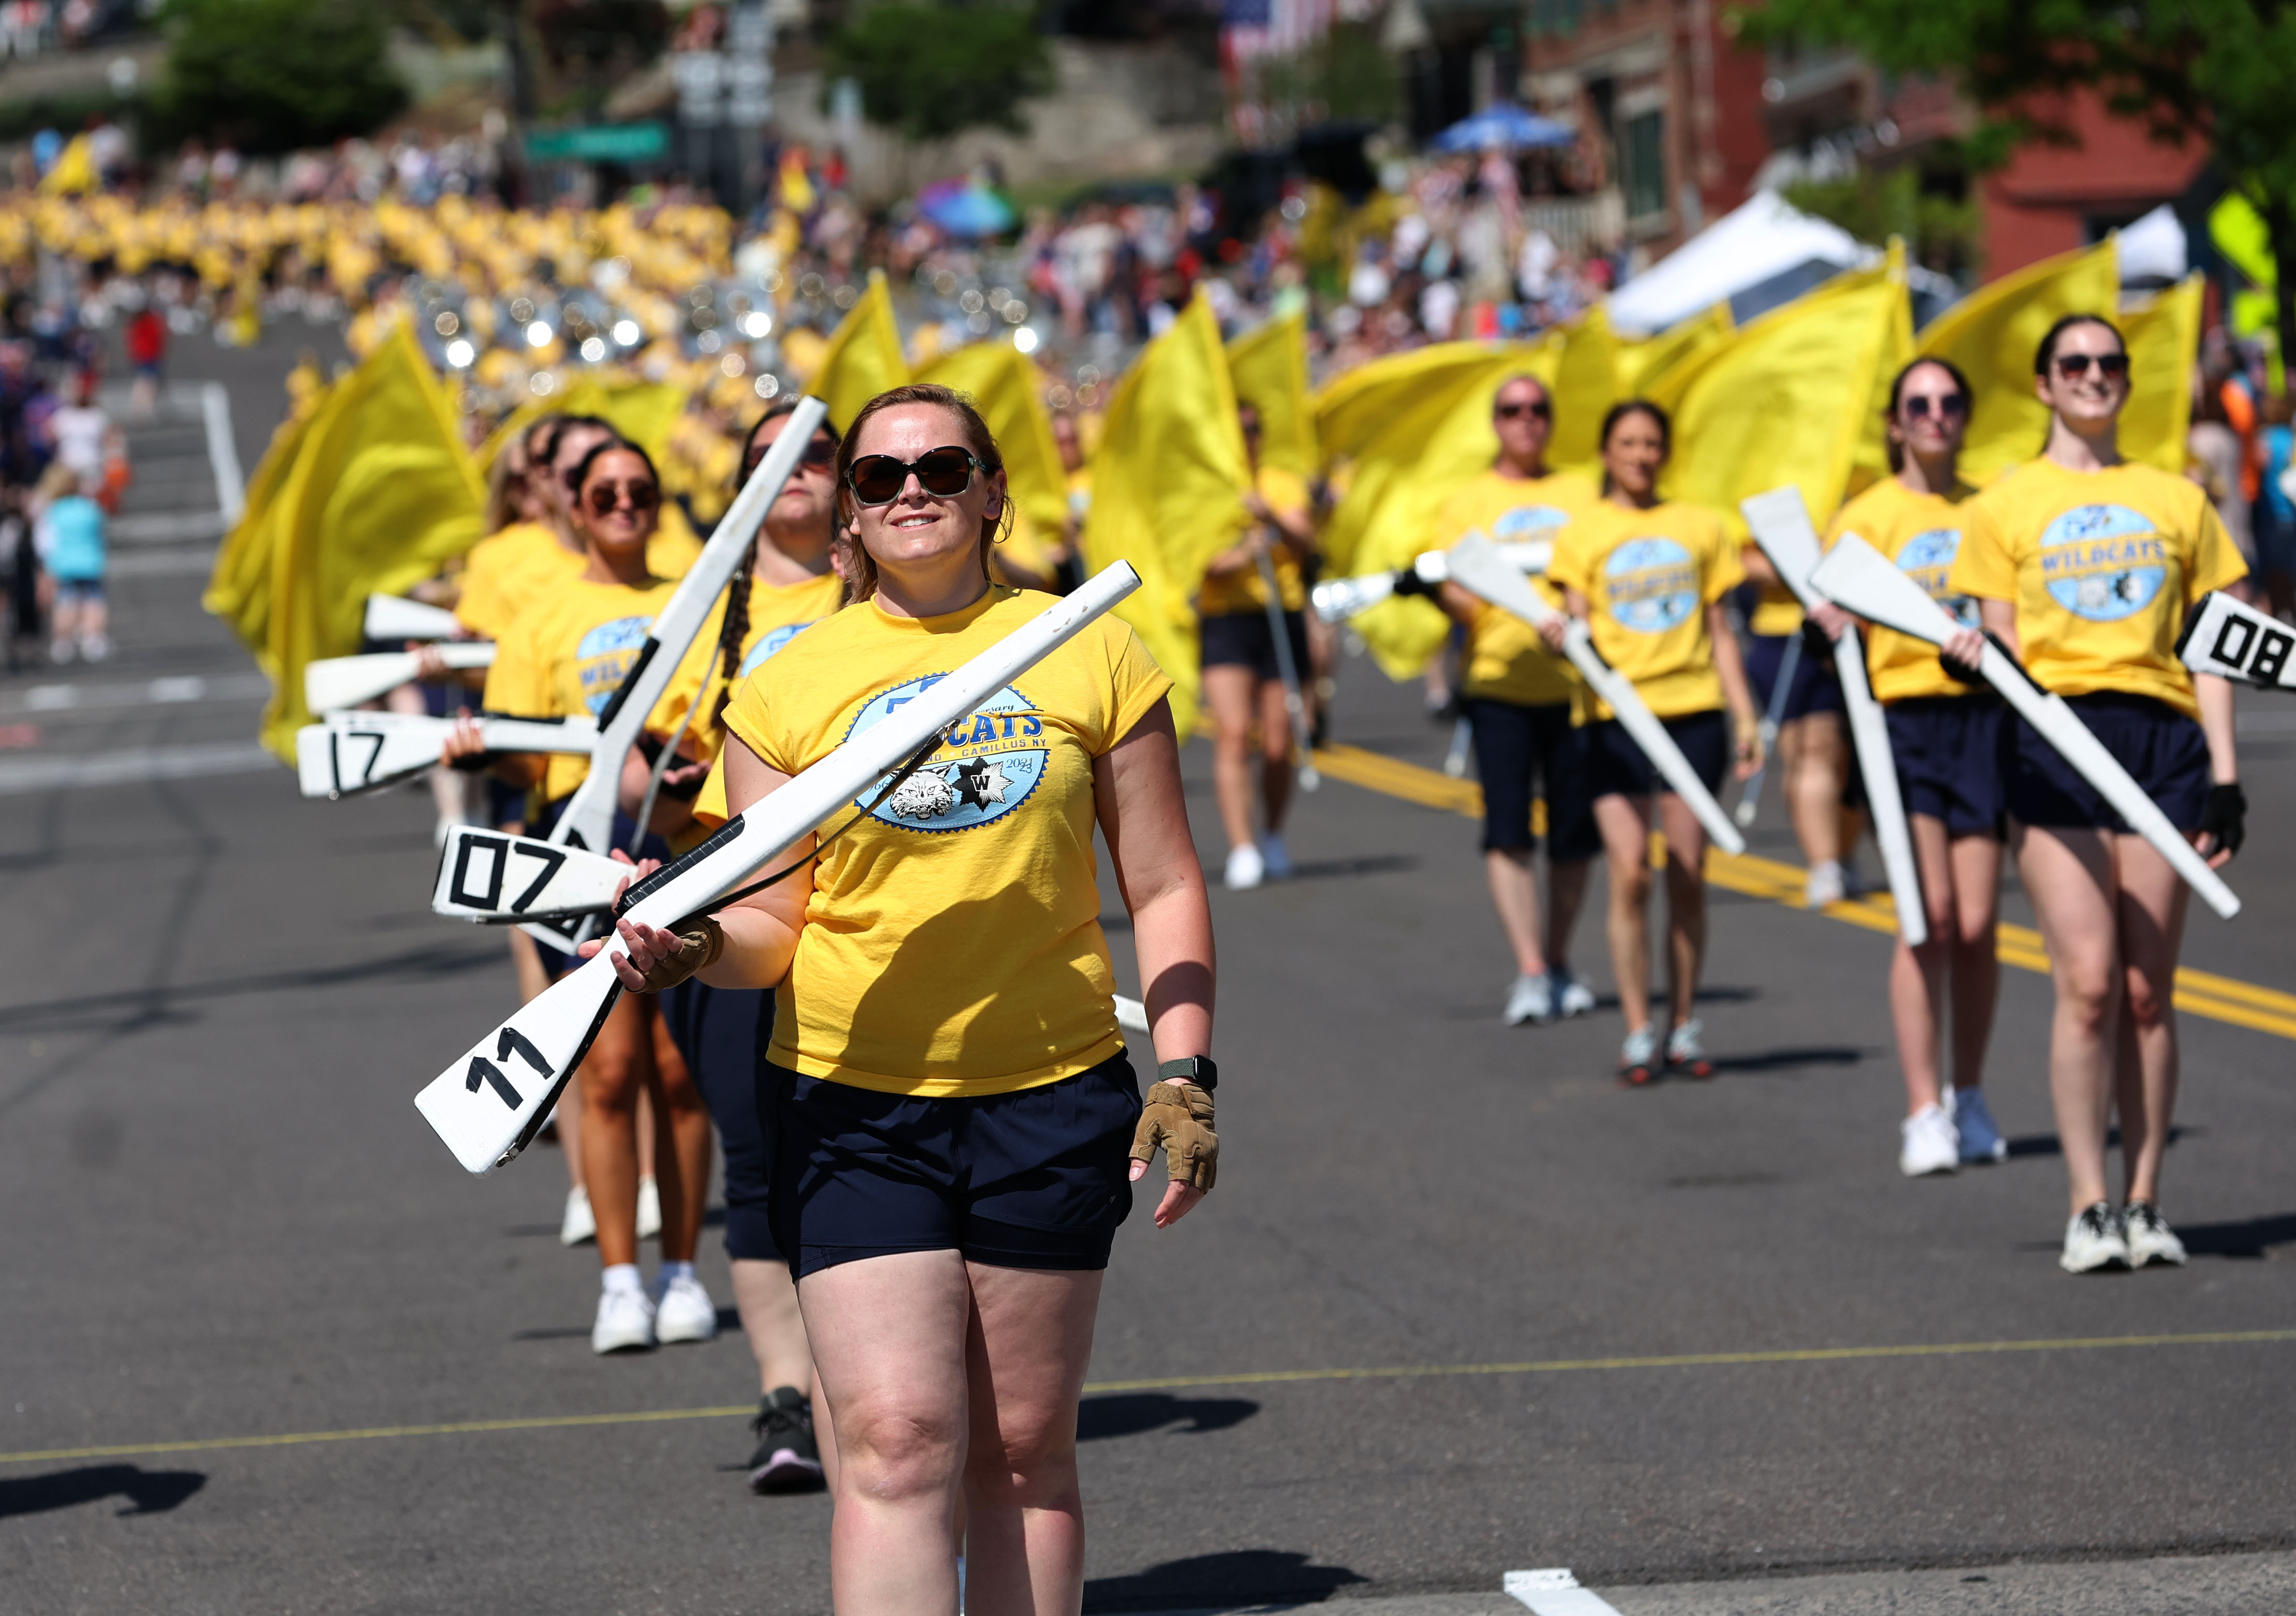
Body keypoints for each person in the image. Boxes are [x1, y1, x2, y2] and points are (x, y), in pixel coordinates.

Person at [595, 382, 1217, 1614]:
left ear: (993, 491)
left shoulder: (1087, 640)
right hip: (851, 1102)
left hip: (1050, 1095)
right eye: (879, 476)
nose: (912, 489)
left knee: (1023, 1447)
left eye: (942, 465)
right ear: (849, 519)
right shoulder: (788, 687)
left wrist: (1188, 1068)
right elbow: (773, 922)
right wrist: (697, 945)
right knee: (891, 1440)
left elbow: (1164, 877)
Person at [1947, 314, 2246, 1274]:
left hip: (2159, 743)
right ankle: (2087, 1202)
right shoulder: (2003, 503)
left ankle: (2146, 1196)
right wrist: (1970, 662)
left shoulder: (2174, 496)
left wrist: (2225, 776)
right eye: (2071, 364)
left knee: (2146, 990)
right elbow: (1996, 643)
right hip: (2052, 742)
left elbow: (2212, 646)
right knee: (2084, 986)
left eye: (2107, 363)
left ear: (2124, 379)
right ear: (2042, 385)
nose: (2091, 376)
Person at [443, 437, 718, 1350]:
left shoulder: (699, 593)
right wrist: (484, 748)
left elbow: (730, 717)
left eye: (641, 489)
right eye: (606, 493)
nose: (626, 504)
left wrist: (684, 768)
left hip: (686, 847)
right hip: (582, 850)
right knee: (603, 1070)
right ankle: (617, 1279)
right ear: (574, 503)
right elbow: (526, 753)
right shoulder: (543, 608)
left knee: (679, 1073)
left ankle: (681, 1269)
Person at [643, 397, 844, 1491]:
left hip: (870, 908)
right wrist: (663, 782)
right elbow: (629, 763)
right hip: (732, 910)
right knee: (758, 1156)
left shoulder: (887, 591)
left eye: (816, 452)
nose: (794, 471)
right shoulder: (700, 610)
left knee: (873, 1139)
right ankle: (789, 1395)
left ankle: (869, 1376)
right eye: (768, 458)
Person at [1823, 358, 2006, 1177]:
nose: (1934, 414)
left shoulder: (1989, 504)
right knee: (1923, 914)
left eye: (1948, 401)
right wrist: (1823, 615)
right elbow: (1830, 610)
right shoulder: (1864, 514)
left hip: (1981, 718)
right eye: (1917, 404)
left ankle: (1968, 1094)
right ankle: (1920, 1107)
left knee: (1974, 924)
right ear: (1894, 423)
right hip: (1901, 721)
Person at [1544, 401, 1761, 1084]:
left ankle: (1684, 1021)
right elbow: (1571, 630)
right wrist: (1556, 640)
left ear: (1663, 451)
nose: (1639, 454)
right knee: (1631, 870)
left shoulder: (1699, 526)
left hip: (1691, 712)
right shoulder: (1582, 535)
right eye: (1626, 442)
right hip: (1613, 719)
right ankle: (1639, 1027)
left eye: (1649, 443)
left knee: (1688, 871)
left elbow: (1722, 631)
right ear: (1606, 451)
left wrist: (1745, 712)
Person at [1405, 372, 1603, 1025]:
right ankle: (1530, 968)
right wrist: (1488, 614)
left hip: (1575, 688)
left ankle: (1559, 957)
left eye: (1539, 410)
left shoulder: (1580, 489)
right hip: (1498, 688)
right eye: (1513, 411)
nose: (1527, 421)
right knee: (1509, 833)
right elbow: (1449, 580)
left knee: (1574, 838)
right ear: (1496, 422)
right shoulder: (1470, 499)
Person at [1197, 402, 1317, 889]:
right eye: (1238, 429)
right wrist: (1246, 552)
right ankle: (1242, 844)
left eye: (1253, 428)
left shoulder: (1280, 482)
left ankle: (1272, 833)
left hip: (1279, 615)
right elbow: (1200, 562)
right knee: (1232, 731)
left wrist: (1273, 520)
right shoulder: (1208, 488)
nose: (1247, 437)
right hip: (1228, 618)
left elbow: (1307, 542)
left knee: (1277, 740)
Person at [1741, 512, 1865, 907]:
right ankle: (1824, 863)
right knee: (1812, 750)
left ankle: (1843, 853)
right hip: (1786, 635)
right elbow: (1737, 559)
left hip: (1855, 631)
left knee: (1850, 756)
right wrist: (1801, 566)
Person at [32, 465, 106, 663]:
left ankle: (63, 641)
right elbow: (99, 533)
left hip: (64, 565)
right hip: (90, 562)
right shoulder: (89, 507)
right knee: (93, 602)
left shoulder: (54, 511)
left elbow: (46, 542)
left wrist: (47, 564)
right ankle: (93, 638)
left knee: (66, 603)